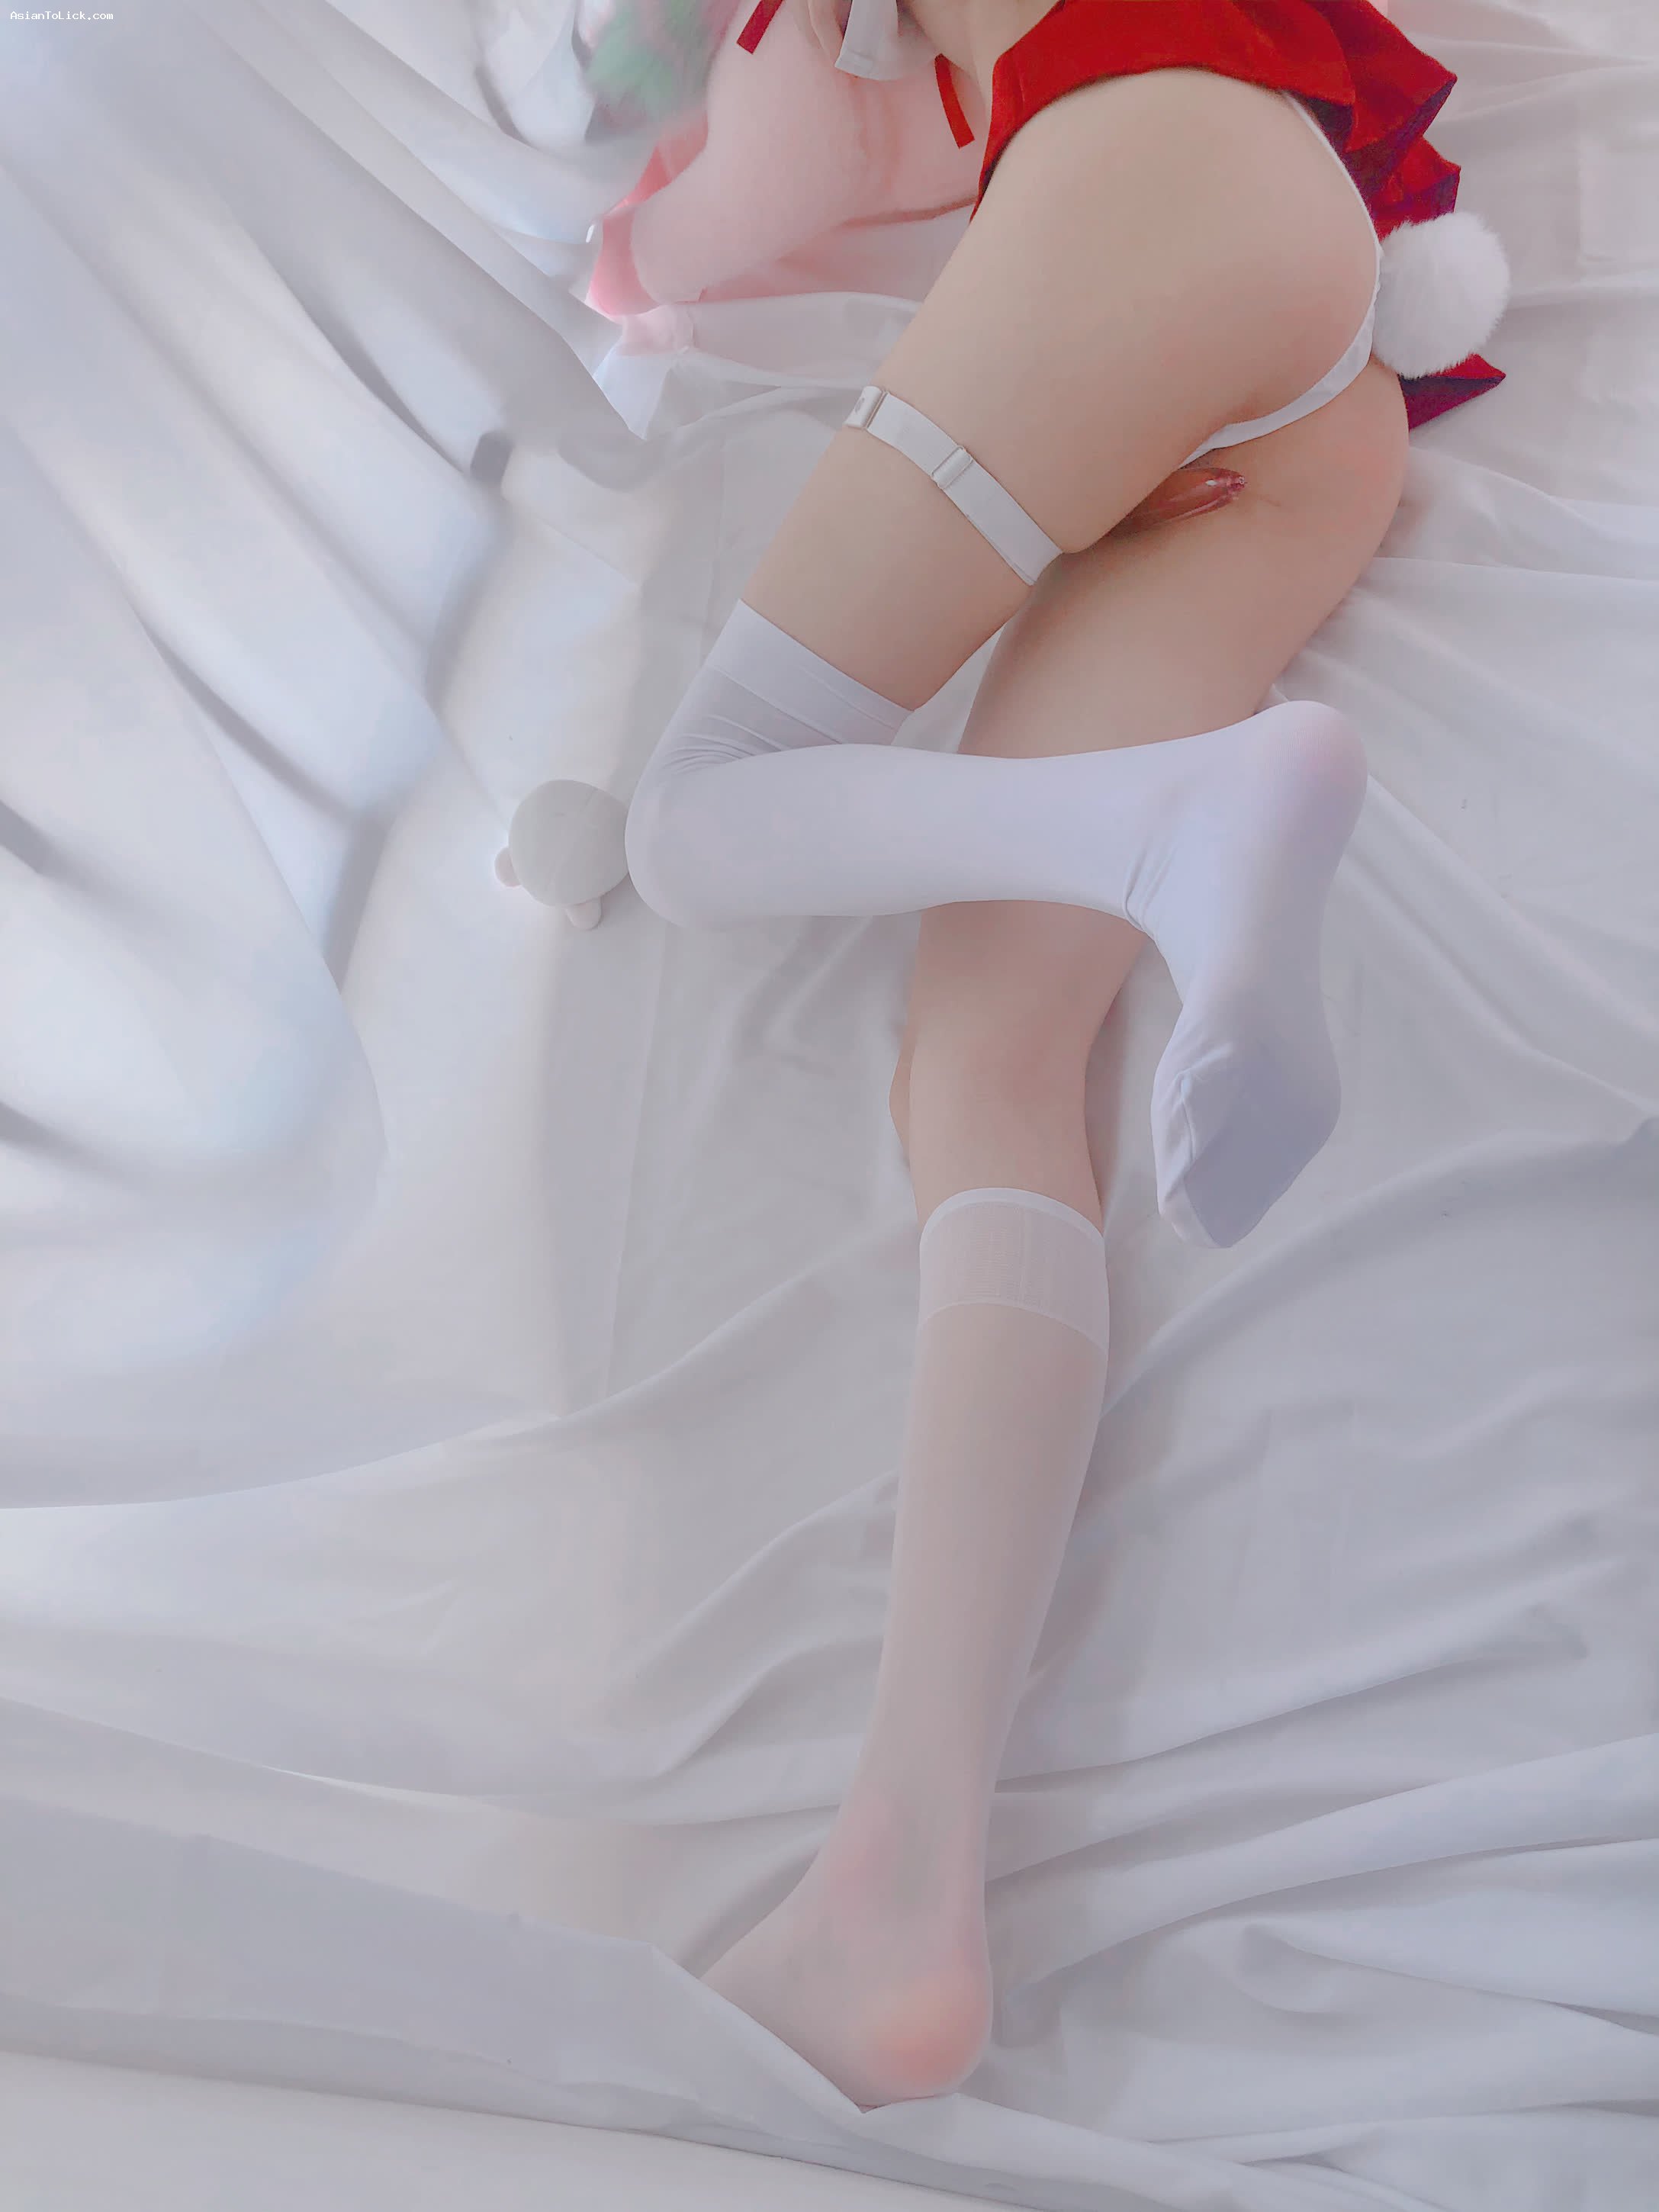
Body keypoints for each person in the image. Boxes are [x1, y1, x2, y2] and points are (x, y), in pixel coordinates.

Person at [621, 0, 1507, 2109]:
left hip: (1155, 189)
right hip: (1320, 384)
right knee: (988, 1068)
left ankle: (1173, 829)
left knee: (696, 813)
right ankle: (898, 1892)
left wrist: (634, 247)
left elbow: (761, 198)